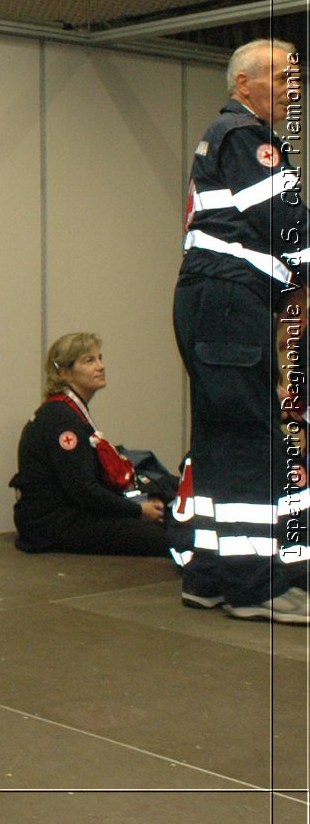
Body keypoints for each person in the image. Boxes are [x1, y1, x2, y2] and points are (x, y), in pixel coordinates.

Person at [173, 38, 308, 624]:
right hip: (232, 302)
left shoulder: (228, 135)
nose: (292, 90)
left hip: (213, 301)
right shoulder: (245, 137)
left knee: (221, 443)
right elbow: (287, 226)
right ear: (244, 84)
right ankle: (259, 589)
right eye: (281, 78)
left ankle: (209, 575)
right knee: (252, 445)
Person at [10, 333, 171, 556]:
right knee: (164, 539)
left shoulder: (68, 412)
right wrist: (138, 510)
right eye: (89, 361)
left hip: (67, 514)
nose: (101, 366)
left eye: (100, 358)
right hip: (53, 523)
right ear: (63, 372)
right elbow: (84, 490)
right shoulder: (61, 419)